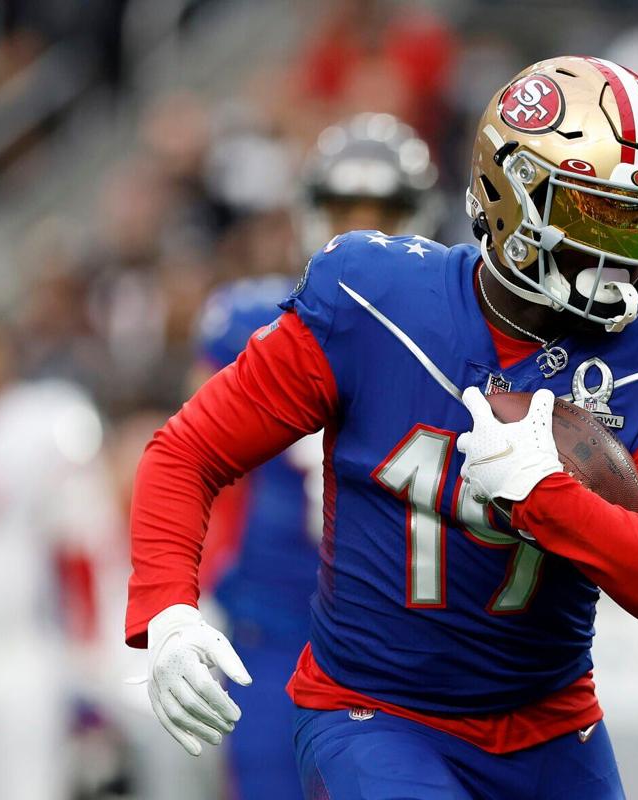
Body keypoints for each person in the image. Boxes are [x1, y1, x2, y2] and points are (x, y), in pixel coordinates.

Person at [125, 56, 638, 799]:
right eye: (595, 215)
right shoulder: (375, 300)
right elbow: (187, 451)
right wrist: (167, 608)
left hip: (550, 723)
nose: (623, 259)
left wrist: (546, 499)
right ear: (510, 198)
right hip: (377, 712)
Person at [189, 112, 442, 800]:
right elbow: (191, 465)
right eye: (343, 210)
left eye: (382, 211)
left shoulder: (456, 339)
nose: (360, 232)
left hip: (402, 649)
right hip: (272, 627)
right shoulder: (247, 322)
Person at [0, 310, 115, 800]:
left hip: (19, 645)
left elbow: (81, 536)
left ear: (3, 357)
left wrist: (90, 648)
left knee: (33, 788)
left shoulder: (40, 424)